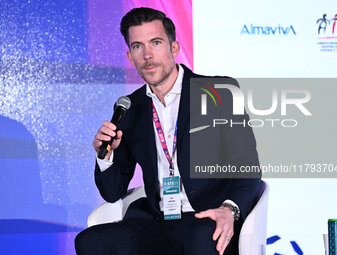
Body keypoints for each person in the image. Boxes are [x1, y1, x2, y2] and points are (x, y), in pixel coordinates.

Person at [75, 7, 260, 255]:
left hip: (207, 216)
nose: (148, 55)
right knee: (90, 241)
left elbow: (246, 167)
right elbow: (112, 192)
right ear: (130, 57)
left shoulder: (220, 93)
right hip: (156, 221)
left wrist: (229, 210)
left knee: (200, 237)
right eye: (138, 46)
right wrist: (105, 156)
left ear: (174, 48)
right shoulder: (130, 108)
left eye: (156, 42)